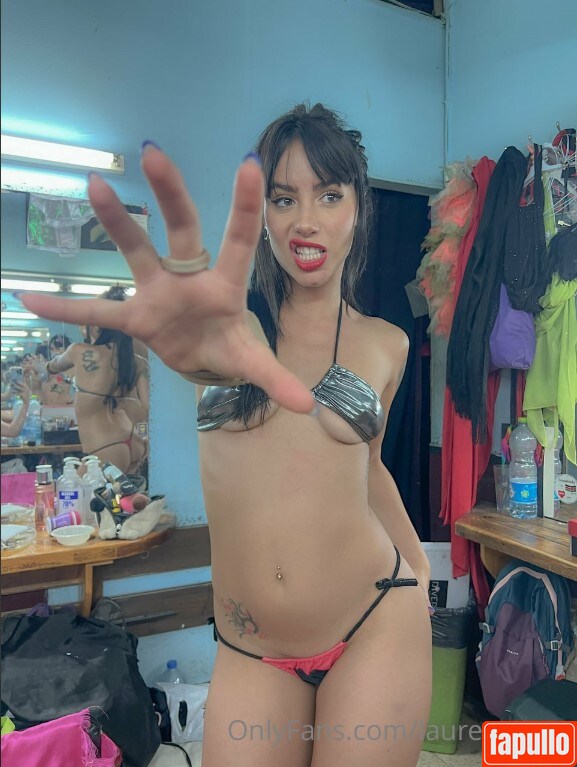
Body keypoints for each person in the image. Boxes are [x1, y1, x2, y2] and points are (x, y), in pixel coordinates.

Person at [21, 103, 432, 767]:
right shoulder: (228, 330)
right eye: (284, 197)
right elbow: (201, 356)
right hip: (251, 648)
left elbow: (371, 466)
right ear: (262, 213)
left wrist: (419, 567)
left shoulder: (388, 343)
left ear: (358, 207)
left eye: (329, 195)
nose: (306, 219)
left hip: (373, 623)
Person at [42, 289, 147, 474]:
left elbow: (54, 366)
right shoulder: (137, 361)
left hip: (106, 449)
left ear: (97, 325)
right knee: (122, 495)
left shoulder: (78, 351)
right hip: (134, 442)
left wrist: (45, 366)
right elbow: (148, 410)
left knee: (70, 490)